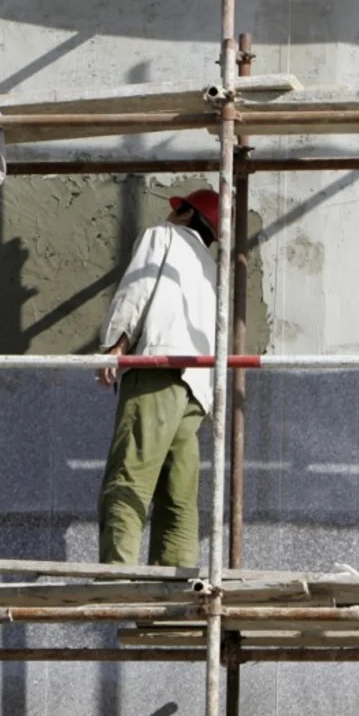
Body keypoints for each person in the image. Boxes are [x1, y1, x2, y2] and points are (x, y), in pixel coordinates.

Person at [95, 188, 220, 568]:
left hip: (158, 368)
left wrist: (115, 344)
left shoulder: (161, 236)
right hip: (197, 388)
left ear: (185, 213)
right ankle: (173, 596)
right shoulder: (210, 269)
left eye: (176, 209)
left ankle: (117, 583)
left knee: (128, 479)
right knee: (177, 498)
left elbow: (138, 287)